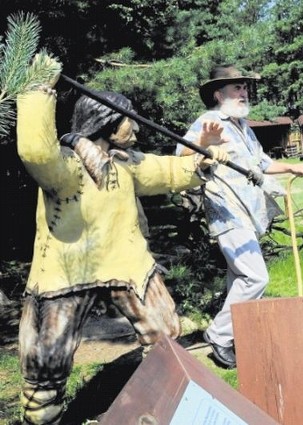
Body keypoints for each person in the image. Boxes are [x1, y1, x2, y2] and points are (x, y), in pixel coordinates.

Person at [15, 58, 228, 425]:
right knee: (44, 367)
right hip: (65, 272)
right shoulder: (64, 167)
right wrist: (38, 89)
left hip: (128, 264)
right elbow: (35, 151)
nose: (134, 128)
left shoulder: (126, 163)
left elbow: (164, 170)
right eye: (128, 119)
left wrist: (201, 161)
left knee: (165, 335)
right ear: (108, 124)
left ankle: (156, 404)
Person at [178, 65, 303, 369]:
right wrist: (203, 147)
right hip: (226, 210)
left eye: (244, 88)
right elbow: (181, 156)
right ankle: (219, 335)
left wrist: (291, 168)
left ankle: (237, 332)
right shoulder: (209, 121)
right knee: (256, 277)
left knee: (239, 276)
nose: (243, 93)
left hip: (247, 211)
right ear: (218, 93)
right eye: (236, 88)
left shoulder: (244, 127)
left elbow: (261, 163)